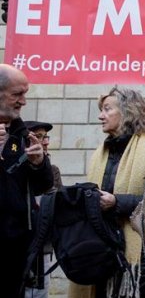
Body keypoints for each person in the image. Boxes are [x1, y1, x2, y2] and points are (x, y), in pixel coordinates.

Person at [68, 87, 145, 298]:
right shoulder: (101, 153)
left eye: (107, 109)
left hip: (140, 256)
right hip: (100, 251)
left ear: (128, 112)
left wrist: (117, 203)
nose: (100, 115)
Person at [0, 64, 54, 298]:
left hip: (15, 245)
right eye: (17, 94)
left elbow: (43, 185)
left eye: (25, 94)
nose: (23, 101)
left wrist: (39, 163)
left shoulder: (21, 134)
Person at [24, 120, 63, 298]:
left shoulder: (52, 170)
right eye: (39, 137)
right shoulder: (15, 168)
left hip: (42, 250)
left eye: (45, 137)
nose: (46, 141)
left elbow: (57, 205)